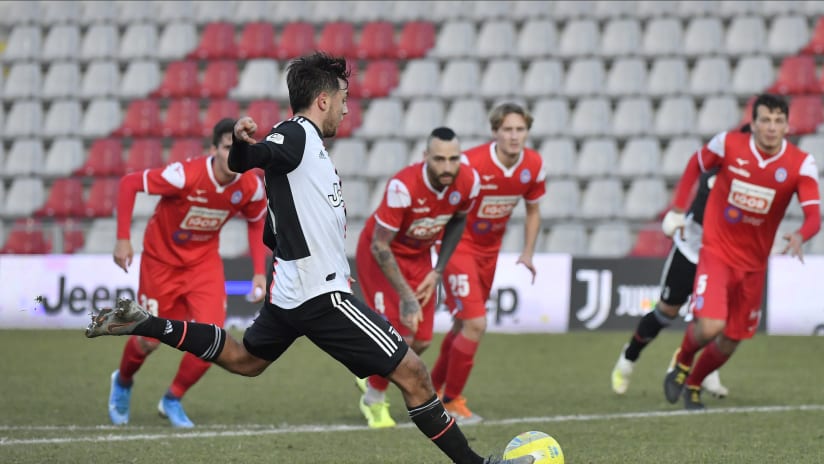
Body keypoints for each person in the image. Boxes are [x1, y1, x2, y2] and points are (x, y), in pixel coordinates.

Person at [87, 52, 532, 464]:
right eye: (343, 99)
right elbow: (255, 157)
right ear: (323, 99)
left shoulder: (307, 146)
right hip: (319, 293)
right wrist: (243, 146)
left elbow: (273, 226)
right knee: (413, 373)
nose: (346, 108)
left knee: (247, 360)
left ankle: (147, 324)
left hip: (295, 291)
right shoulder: (296, 134)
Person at [660, 94, 820, 410]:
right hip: (717, 251)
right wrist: (678, 209)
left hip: (755, 264)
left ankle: (693, 385)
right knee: (711, 326)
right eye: (765, 120)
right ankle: (683, 361)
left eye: (778, 121)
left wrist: (802, 234)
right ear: (754, 123)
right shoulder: (728, 145)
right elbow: (696, 164)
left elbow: (814, 214)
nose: (771, 128)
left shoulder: (801, 163)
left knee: (732, 339)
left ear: (787, 126)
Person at [108, 118, 268, 427]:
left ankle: (172, 399)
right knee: (148, 341)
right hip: (161, 263)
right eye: (227, 148)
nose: (234, 156)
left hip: (202, 265)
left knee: (213, 339)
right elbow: (129, 183)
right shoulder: (184, 175)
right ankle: (124, 381)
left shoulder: (250, 185)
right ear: (213, 150)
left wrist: (259, 272)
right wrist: (123, 239)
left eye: (241, 149)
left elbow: (257, 221)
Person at [353, 126, 479, 429]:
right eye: (439, 159)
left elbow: (458, 220)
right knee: (399, 336)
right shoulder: (403, 186)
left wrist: (437, 271)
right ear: (425, 157)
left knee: (421, 339)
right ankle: (373, 400)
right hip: (380, 257)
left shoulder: (469, 181)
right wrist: (408, 297)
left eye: (453, 159)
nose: (447, 167)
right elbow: (379, 244)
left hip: (420, 258)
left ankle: (371, 372)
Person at [429, 103, 546, 425]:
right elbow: (445, 199)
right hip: (459, 246)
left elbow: (534, 210)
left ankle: (429, 393)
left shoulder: (533, 165)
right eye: (507, 129)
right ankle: (452, 401)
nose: (514, 136)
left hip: (489, 252)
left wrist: (528, 251)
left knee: (461, 325)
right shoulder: (472, 163)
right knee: (476, 324)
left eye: (520, 129)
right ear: (495, 132)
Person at [610, 166, 729, 397]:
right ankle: (628, 358)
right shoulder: (715, 173)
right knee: (665, 313)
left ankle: (702, 371)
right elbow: (709, 214)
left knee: (712, 317)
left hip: (718, 259)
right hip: (689, 252)